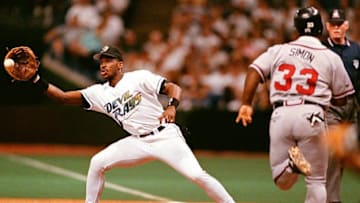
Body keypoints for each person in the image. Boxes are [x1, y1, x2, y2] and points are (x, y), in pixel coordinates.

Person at [36, 45, 235, 203]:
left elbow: (173, 88)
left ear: (120, 64)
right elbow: (62, 97)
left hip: (165, 136)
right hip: (137, 142)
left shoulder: (139, 78)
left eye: (108, 61)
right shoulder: (98, 92)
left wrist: (172, 106)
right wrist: (36, 79)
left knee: (197, 175)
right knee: (97, 163)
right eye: (101, 62)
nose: (103, 65)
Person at [235, 6, 355, 203]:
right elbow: (343, 98)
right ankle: (294, 165)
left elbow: (254, 71)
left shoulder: (279, 50)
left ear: (296, 29)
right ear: (320, 29)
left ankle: (291, 166)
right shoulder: (331, 57)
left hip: (281, 113)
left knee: (282, 181)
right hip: (313, 114)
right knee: (317, 181)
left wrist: (246, 103)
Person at [322, 8, 360, 203]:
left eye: (340, 24)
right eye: (333, 24)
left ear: (346, 25)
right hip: (332, 106)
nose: (336, 28)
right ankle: (331, 199)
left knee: (351, 152)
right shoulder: (321, 49)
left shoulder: (356, 49)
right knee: (334, 152)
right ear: (327, 26)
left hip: (353, 108)